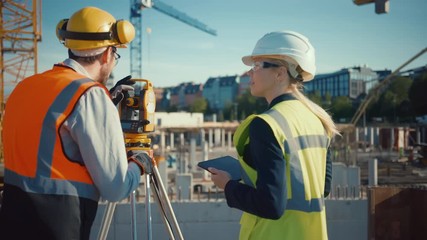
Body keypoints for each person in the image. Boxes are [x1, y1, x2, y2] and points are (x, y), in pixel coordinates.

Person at [0, 6, 152, 240]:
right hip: (56, 227)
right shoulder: (90, 95)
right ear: (107, 55)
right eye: (115, 55)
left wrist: (103, 105)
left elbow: (49, 131)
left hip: (11, 222)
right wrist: (140, 162)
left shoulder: (25, 87)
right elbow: (115, 188)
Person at [209, 31, 340, 240]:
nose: (249, 74)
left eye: (257, 66)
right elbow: (322, 188)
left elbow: (270, 205)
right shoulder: (318, 120)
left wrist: (228, 185)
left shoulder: (267, 124)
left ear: (280, 73)